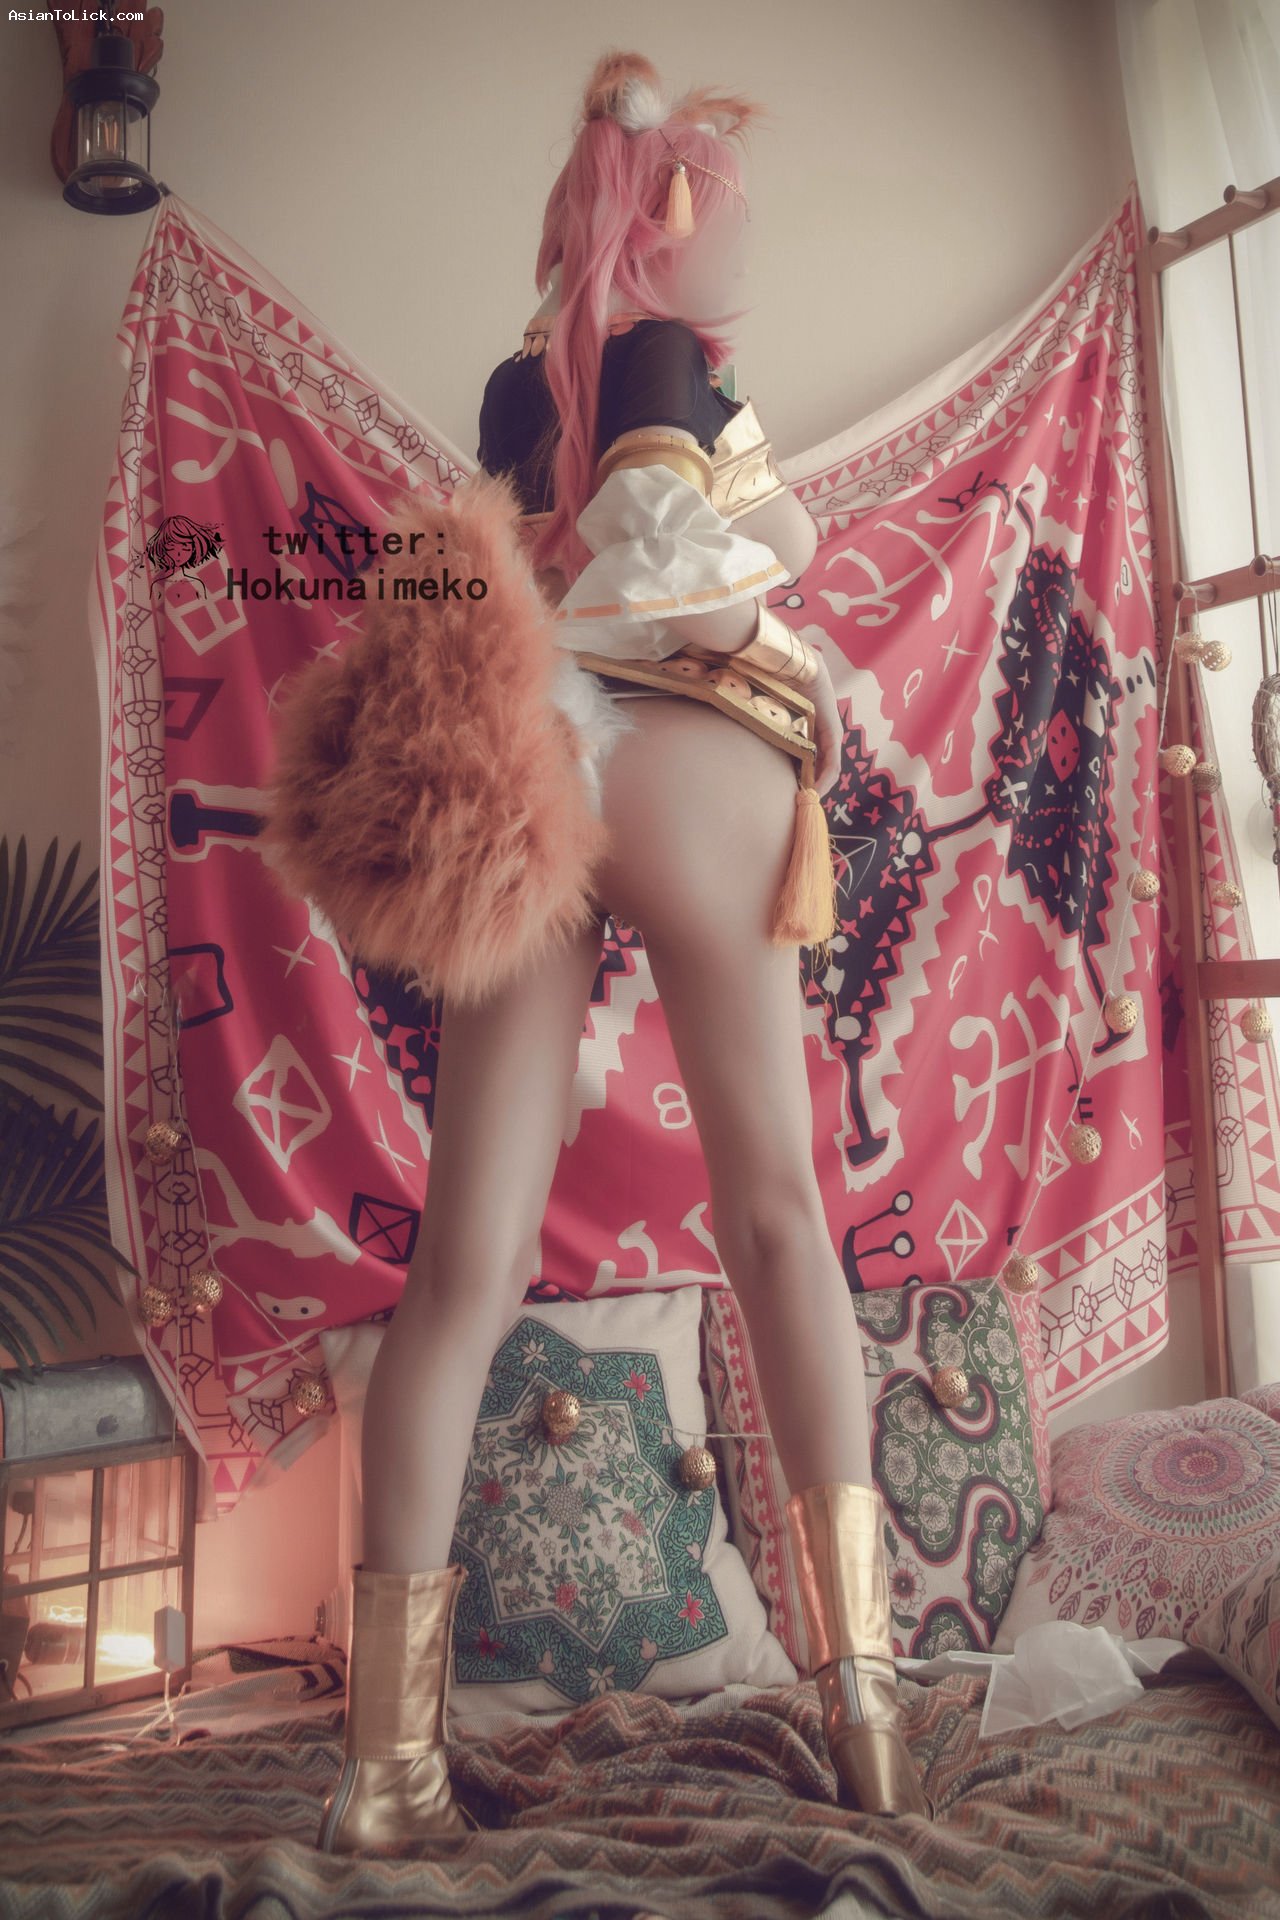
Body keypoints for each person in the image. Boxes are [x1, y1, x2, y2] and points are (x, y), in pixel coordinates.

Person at [316, 48, 934, 1855]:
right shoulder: (671, 359)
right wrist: (775, 634)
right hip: (677, 747)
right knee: (777, 1217)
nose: (745, 257)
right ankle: (869, 1712)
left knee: (466, 1265)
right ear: (665, 227)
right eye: (727, 224)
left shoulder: (527, 377)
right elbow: (658, 552)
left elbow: (499, 581)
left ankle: (384, 1773)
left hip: (545, 756)